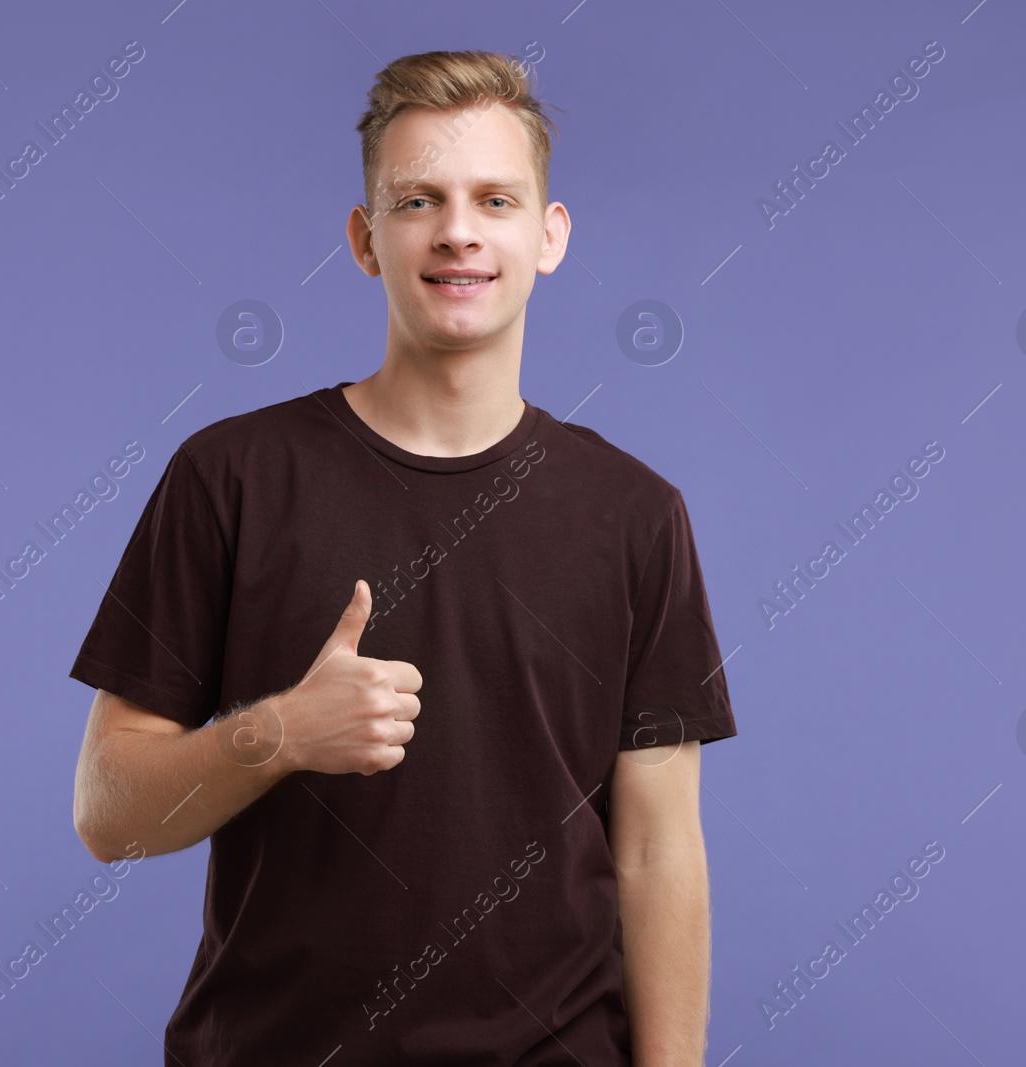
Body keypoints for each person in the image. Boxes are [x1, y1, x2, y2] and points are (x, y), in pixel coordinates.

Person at [68, 49, 737, 1066]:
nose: (458, 230)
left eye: (495, 199)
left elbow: (656, 850)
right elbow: (108, 811)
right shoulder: (231, 477)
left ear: (547, 236)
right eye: (417, 198)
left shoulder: (636, 513)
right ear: (365, 238)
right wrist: (280, 730)